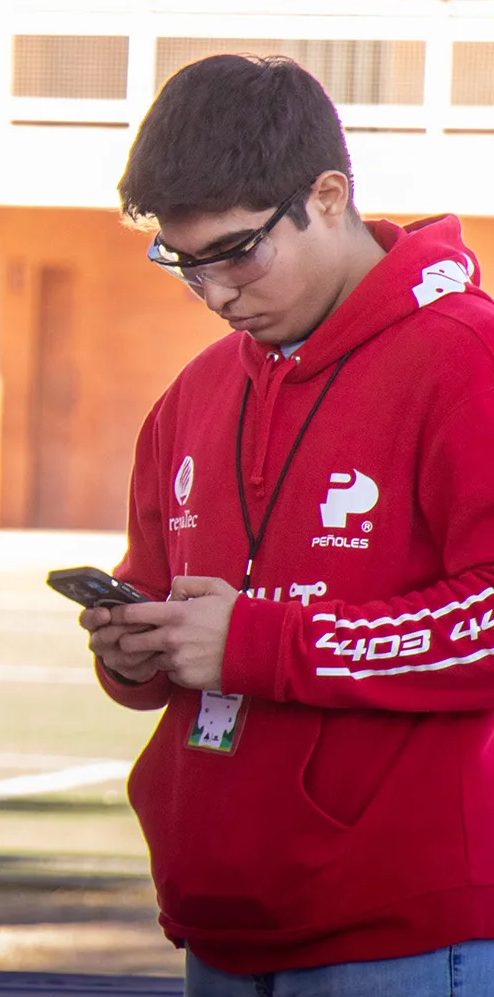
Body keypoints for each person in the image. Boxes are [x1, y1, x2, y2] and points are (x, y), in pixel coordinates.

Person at [82, 53, 494, 994]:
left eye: (236, 253)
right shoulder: (196, 393)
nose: (218, 294)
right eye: (186, 268)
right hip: (218, 921)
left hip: (405, 929)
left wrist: (259, 642)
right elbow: (160, 590)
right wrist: (134, 644)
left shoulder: (468, 358)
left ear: (328, 194)